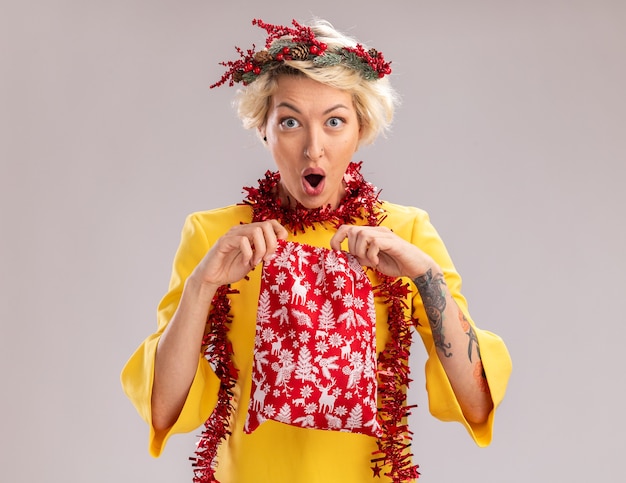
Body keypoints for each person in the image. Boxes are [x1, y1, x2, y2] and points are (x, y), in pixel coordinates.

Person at [121, 18, 512, 483]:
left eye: (334, 122)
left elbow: (477, 402)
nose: (314, 148)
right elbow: (164, 411)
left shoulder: (403, 232)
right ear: (263, 130)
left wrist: (425, 275)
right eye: (290, 122)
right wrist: (202, 284)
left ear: (361, 128)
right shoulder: (214, 235)